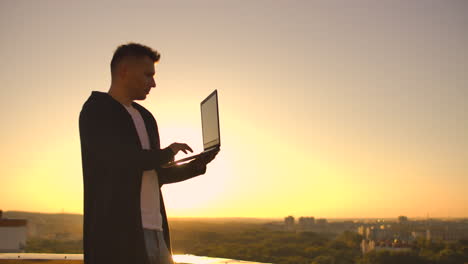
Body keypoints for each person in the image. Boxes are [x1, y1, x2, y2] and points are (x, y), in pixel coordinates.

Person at [79, 43, 218, 264]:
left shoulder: (146, 117)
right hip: (117, 236)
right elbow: (120, 160)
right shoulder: (96, 110)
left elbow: (156, 174)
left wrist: (196, 165)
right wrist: (168, 152)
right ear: (124, 71)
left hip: (156, 231)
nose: (153, 83)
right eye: (148, 75)